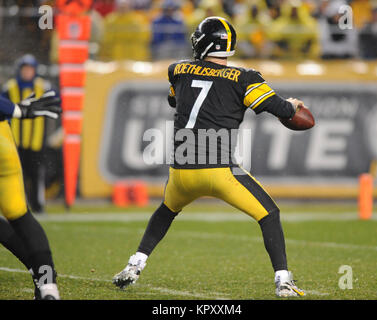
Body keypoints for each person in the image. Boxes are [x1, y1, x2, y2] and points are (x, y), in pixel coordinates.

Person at [113, 16, 305, 298]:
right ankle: (283, 281)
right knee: (269, 215)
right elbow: (283, 111)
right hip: (219, 172)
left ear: (205, 42)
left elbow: (174, 100)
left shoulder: (177, 70)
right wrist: (292, 104)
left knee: (166, 211)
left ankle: (134, 264)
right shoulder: (245, 78)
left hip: (181, 172)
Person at [0, 91, 62, 300]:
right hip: (3, 144)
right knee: (20, 216)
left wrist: (18, 110)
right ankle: (47, 285)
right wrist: (17, 109)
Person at [2, 54, 51, 213]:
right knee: (16, 176)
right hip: (15, 141)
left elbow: (56, 103)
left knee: (36, 175)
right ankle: (19, 207)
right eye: (25, 69)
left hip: (36, 140)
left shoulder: (43, 87)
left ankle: (38, 205)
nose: (27, 72)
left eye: (30, 69)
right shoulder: (10, 88)